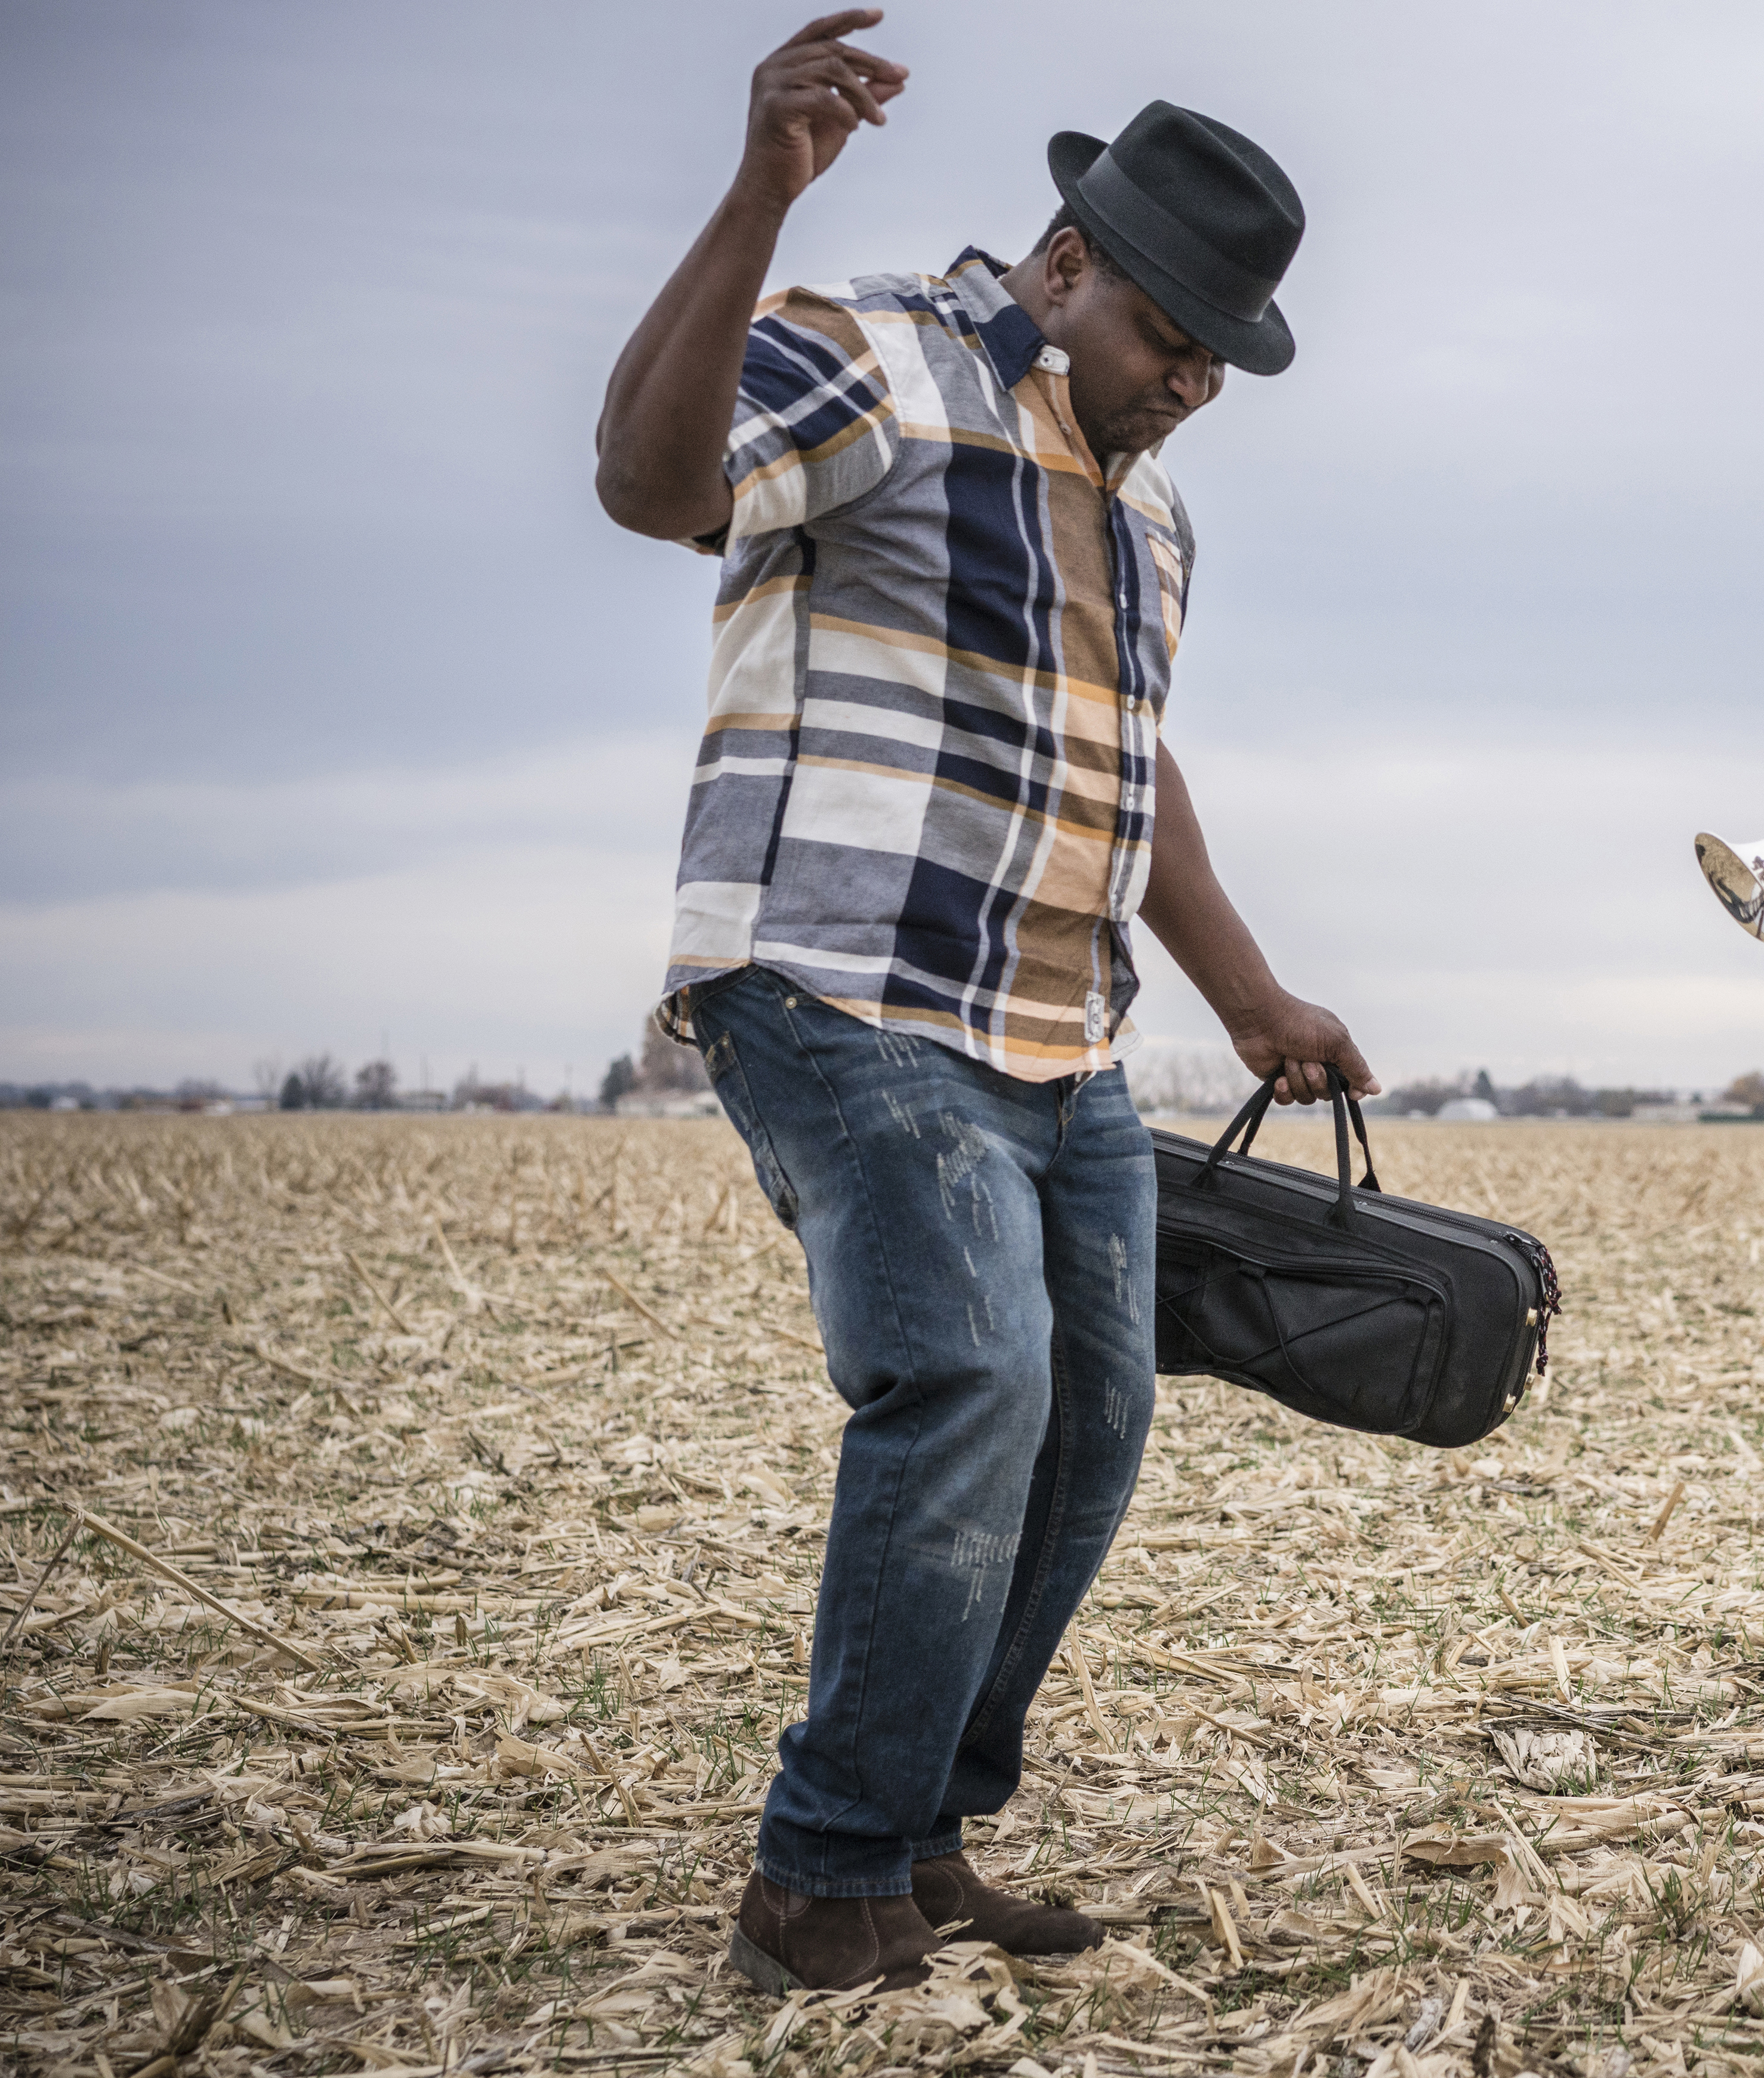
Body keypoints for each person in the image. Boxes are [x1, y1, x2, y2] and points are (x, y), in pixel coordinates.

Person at [592, 10, 1378, 1996]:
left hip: (1060, 1033)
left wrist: (1259, 992)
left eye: (1220, 354)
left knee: (1090, 1420)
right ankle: (819, 1868)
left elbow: (1133, 766)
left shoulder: (1154, 507)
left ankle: (916, 1823)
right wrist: (760, 186)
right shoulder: (872, 353)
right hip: (839, 991)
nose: (1191, 377)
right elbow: (642, 478)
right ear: (1062, 265)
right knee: (969, 1381)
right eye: (1168, 330)